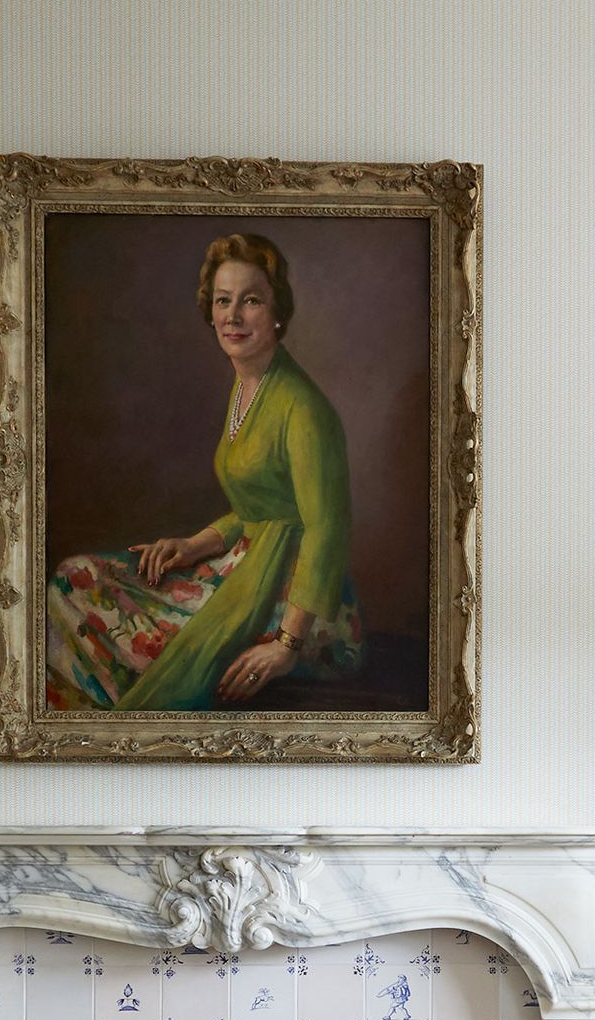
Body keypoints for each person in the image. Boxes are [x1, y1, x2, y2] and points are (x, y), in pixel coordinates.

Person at [46, 232, 364, 710]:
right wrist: (195, 544)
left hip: (300, 605)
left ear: (278, 313)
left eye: (251, 300)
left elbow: (326, 527)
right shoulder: (246, 388)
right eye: (222, 301)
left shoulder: (302, 407)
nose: (232, 316)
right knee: (73, 577)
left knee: (87, 600)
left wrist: (285, 646)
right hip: (245, 565)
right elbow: (260, 508)